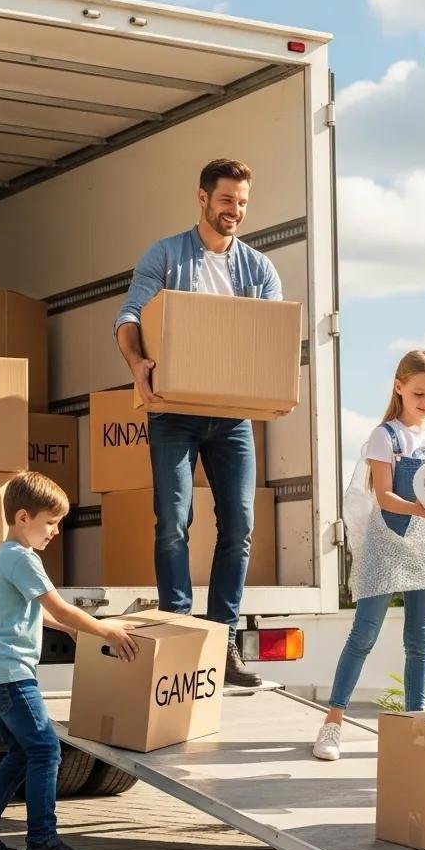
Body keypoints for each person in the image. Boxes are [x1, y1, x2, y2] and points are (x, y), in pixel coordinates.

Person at [113, 158, 282, 688]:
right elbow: (129, 317)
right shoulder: (165, 255)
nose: (235, 210)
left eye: (243, 202)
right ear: (203, 198)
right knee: (173, 521)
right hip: (174, 414)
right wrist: (137, 364)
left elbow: (271, 336)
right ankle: (181, 632)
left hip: (232, 419)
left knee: (240, 526)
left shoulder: (259, 270)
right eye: (227, 199)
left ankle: (224, 639)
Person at [0, 471, 139, 850]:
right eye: (51, 522)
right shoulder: (23, 558)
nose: (56, 531)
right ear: (23, 517)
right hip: (9, 672)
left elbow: (38, 611)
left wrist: (72, 630)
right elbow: (59, 606)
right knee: (45, 748)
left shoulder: (3, 555)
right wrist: (106, 630)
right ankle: (42, 844)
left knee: (22, 752)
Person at [313, 350, 425, 760]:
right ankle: (333, 723)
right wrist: (419, 509)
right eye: (419, 394)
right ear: (399, 387)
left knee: (419, 639)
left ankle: (415, 728)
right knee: (363, 634)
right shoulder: (385, 437)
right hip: (385, 545)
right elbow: (385, 497)